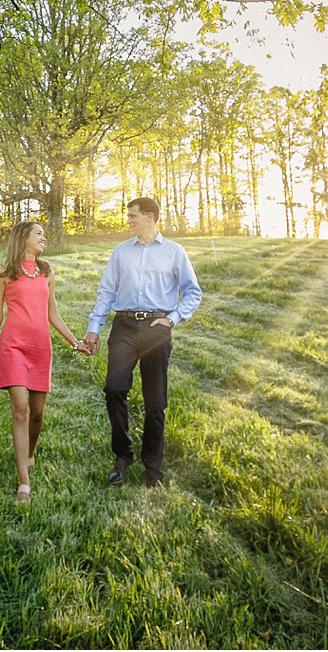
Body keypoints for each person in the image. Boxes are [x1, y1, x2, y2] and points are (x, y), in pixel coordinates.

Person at [81, 197, 201, 487]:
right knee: (114, 388)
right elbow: (107, 291)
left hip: (156, 328)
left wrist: (172, 319)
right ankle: (122, 456)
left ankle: (153, 468)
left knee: (155, 401)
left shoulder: (174, 251)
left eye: (133, 216)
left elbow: (192, 292)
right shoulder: (121, 252)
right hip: (123, 325)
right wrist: (94, 328)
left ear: (150, 217)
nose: (129, 220)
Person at [0, 221, 84, 504]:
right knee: (21, 411)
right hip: (13, 348)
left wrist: (75, 343)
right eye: (38, 233)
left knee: (38, 414)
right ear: (23, 237)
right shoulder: (3, 273)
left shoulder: (47, 272)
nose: (43, 237)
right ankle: (23, 483)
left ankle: (29, 453)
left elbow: (53, 314)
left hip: (41, 349)